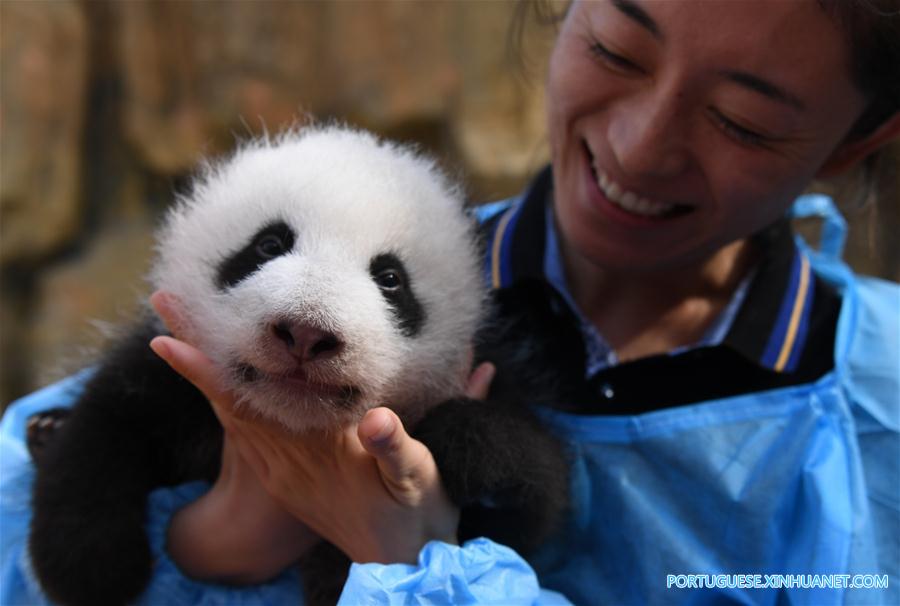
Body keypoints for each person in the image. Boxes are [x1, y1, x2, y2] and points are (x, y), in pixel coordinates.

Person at [2, 0, 898, 603]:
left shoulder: (874, 410)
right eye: (617, 52)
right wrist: (217, 539)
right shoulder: (416, 248)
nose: (638, 146)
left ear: (856, 143)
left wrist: (403, 558)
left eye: (743, 119)